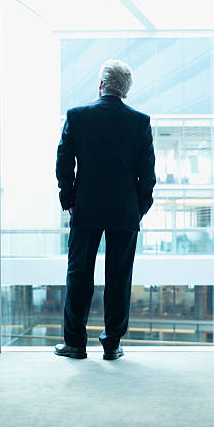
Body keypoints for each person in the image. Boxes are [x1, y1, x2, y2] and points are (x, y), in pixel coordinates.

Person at [54, 59, 156, 360]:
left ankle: (75, 343)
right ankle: (112, 345)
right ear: (125, 90)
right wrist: (139, 208)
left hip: (85, 208)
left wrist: (68, 198)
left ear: (101, 84)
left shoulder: (78, 116)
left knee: (79, 275)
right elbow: (147, 174)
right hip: (124, 211)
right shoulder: (140, 122)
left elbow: (63, 161)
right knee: (119, 278)